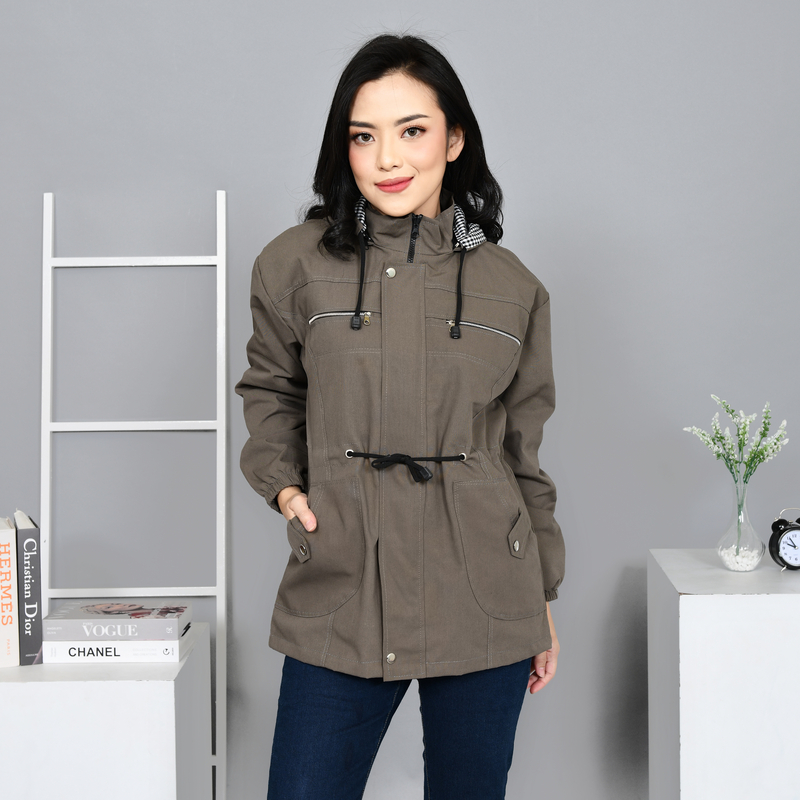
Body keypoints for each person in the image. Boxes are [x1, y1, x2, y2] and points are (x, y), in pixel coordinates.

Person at [235, 32, 565, 800]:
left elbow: (523, 454)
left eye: (412, 130)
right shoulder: (292, 264)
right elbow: (271, 390)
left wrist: (541, 600)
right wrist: (286, 487)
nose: (387, 158)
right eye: (364, 136)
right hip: (341, 578)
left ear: (454, 140)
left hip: (487, 591)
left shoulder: (513, 287)